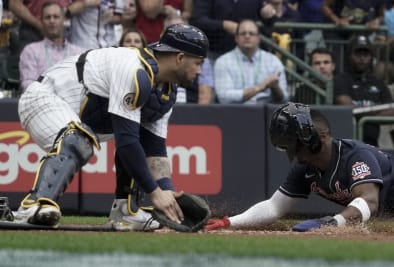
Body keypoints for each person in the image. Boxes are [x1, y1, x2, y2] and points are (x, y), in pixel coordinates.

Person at [13, 24, 209, 231]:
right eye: (197, 63)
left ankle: (126, 211)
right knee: (80, 140)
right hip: (43, 99)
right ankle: (34, 204)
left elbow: (155, 150)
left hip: (77, 118)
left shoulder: (164, 93)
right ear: (179, 58)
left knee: (130, 146)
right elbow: (126, 141)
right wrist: (155, 192)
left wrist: (168, 193)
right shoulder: (132, 68)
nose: (200, 70)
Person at [206, 102, 394, 232]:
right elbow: (274, 207)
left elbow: (369, 202)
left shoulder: (356, 156)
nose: (294, 154)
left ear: (320, 137)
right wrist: (228, 222)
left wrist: (331, 223)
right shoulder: (305, 166)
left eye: (297, 145)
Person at [334, 34, 394, 147]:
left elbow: (392, 111)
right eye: (358, 54)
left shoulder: (378, 83)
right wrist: (375, 113)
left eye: (366, 54)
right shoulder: (340, 80)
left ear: (371, 57)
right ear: (349, 56)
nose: (362, 58)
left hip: (372, 146)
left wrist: (365, 115)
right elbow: (347, 107)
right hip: (346, 146)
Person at [214, 19, 288, 105]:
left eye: (251, 33)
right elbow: (224, 98)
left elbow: (284, 99)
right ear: (236, 38)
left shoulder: (273, 61)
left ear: (258, 38)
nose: (247, 36)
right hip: (234, 113)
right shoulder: (223, 61)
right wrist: (259, 88)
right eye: (243, 33)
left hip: (266, 114)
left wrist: (275, 87)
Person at [19, 1, 85, 91]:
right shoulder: (31, 51)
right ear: (41, 21)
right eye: (47, 17)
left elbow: (84, 85)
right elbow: (28, 85)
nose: (52, 21)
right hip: (42, 102)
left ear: (64, 20)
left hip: (72, 103)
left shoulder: (79, 53)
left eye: (56, 17)